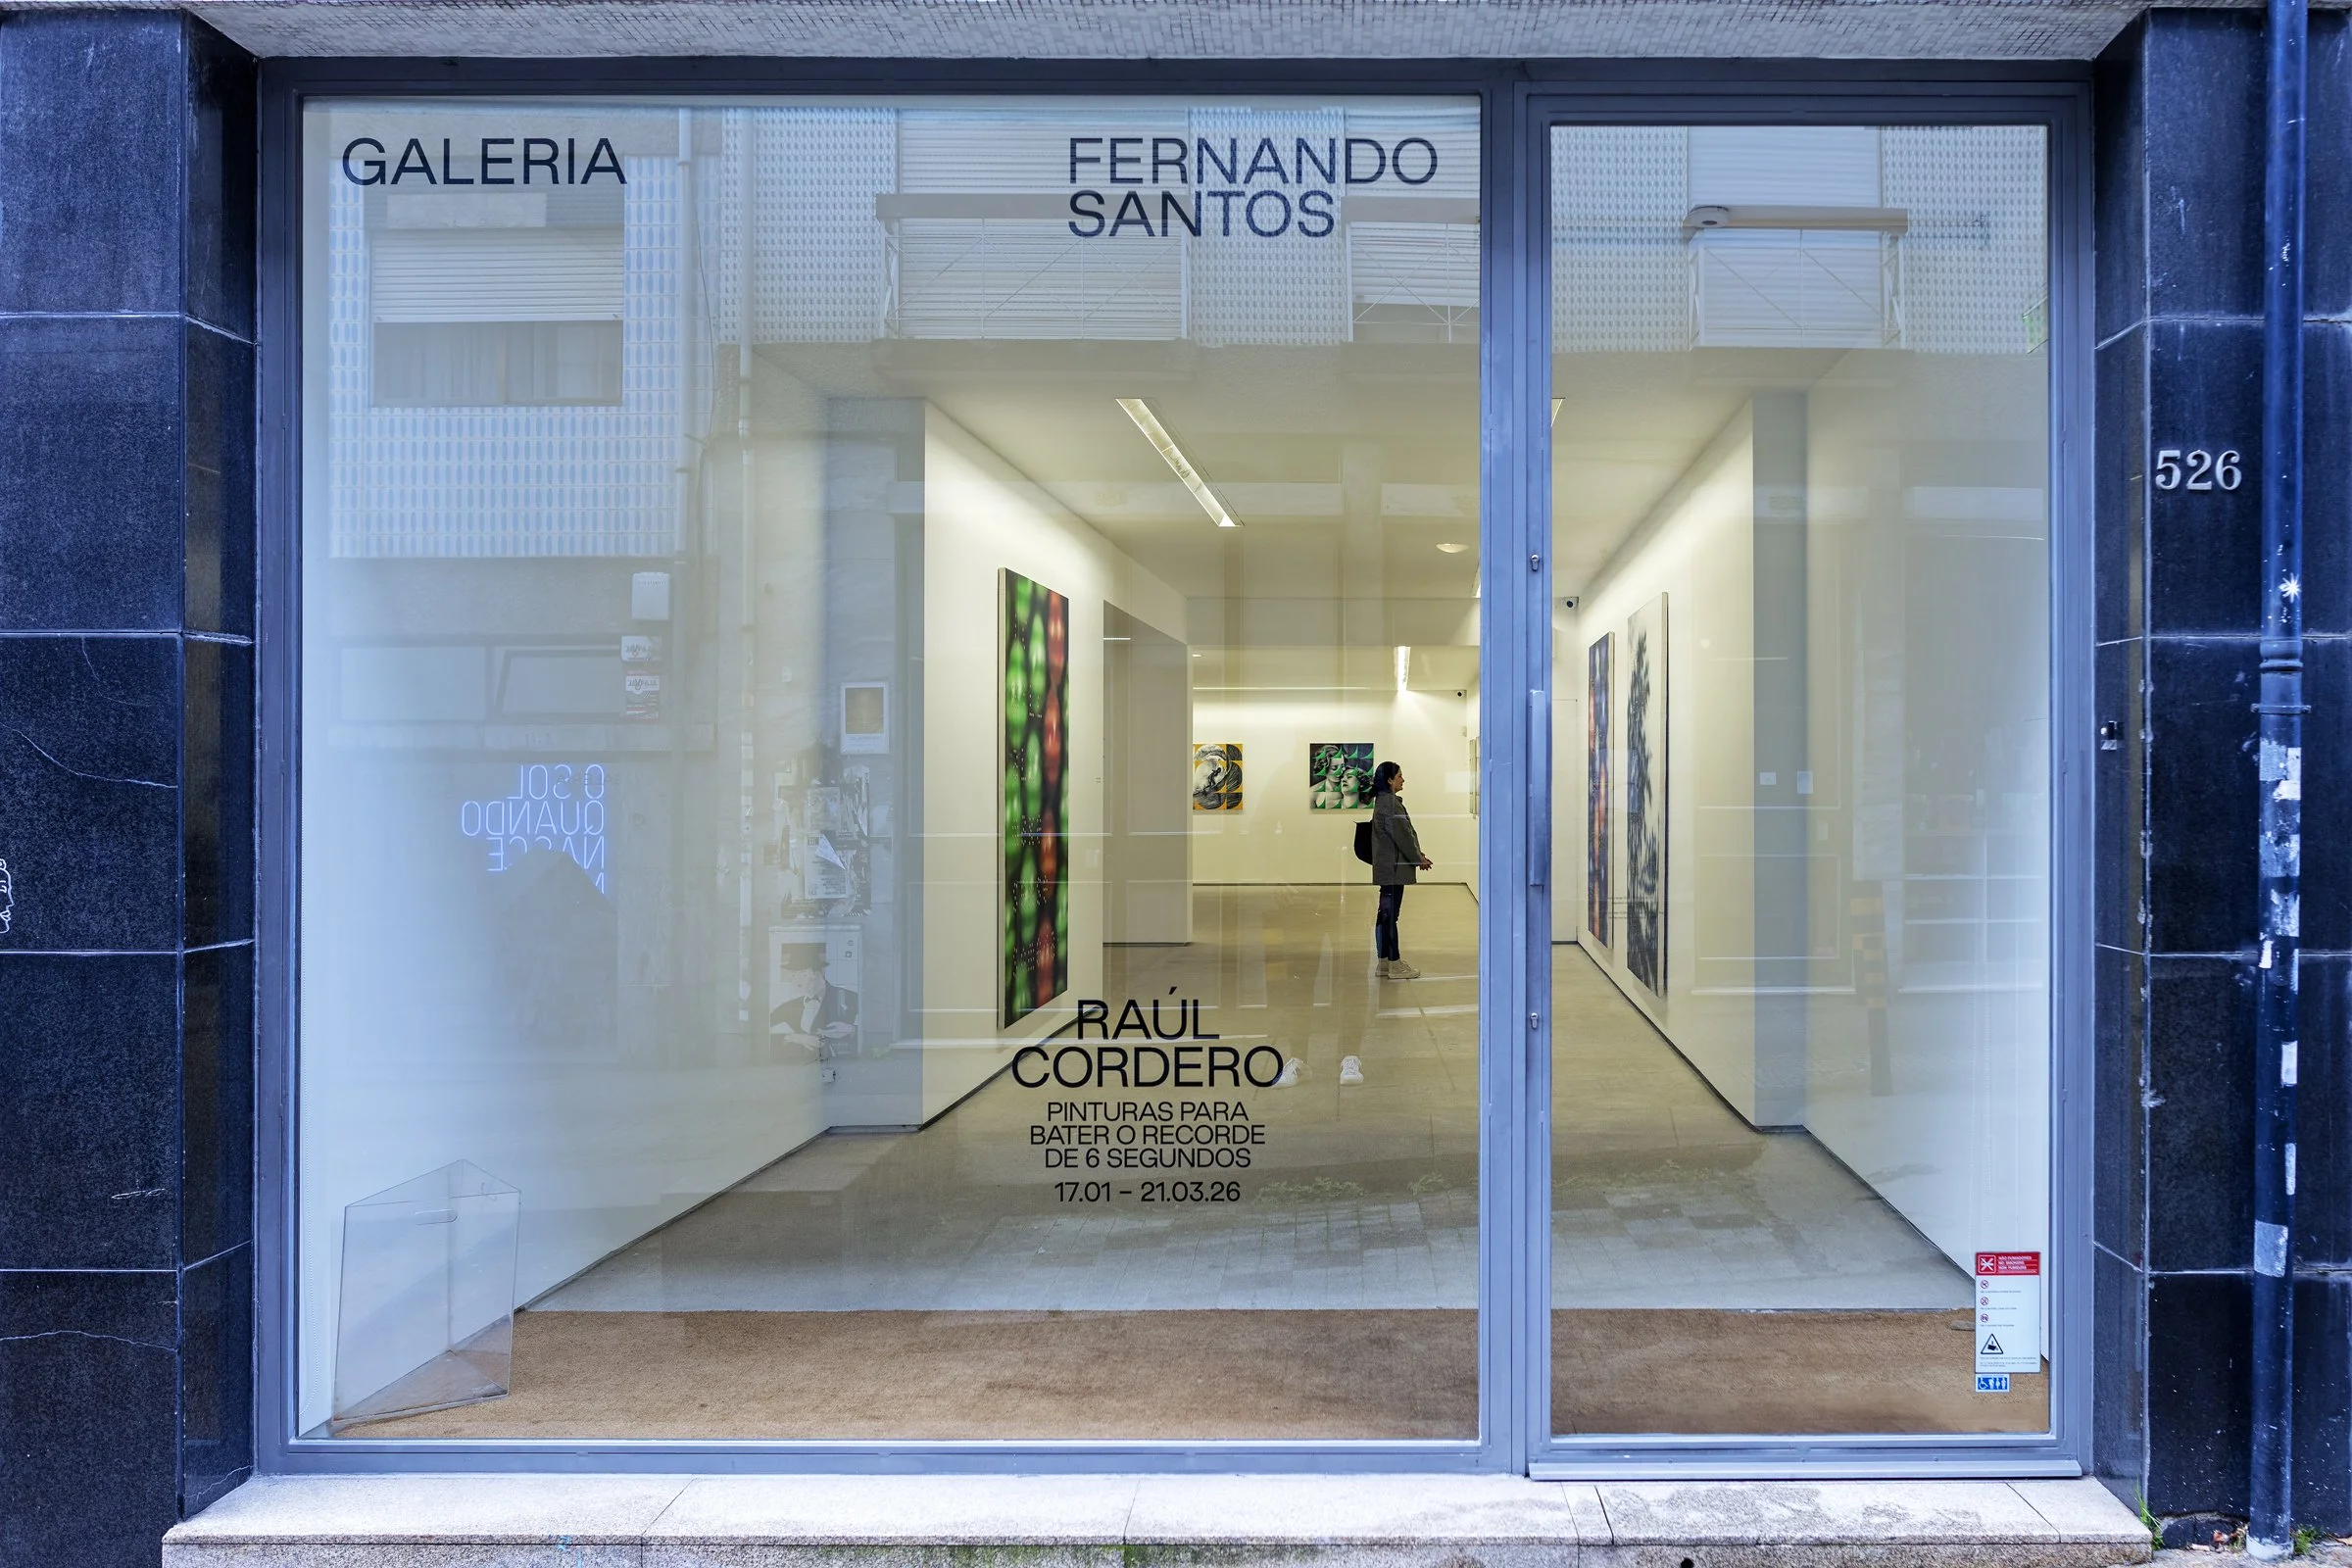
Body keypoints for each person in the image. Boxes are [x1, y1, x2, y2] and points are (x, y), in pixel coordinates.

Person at [1368, 760, 1433, 979]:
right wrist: (1418, 859)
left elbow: (1403, 834)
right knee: (1389, 916)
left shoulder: (1384, 802)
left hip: (1389, 867)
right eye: (1400, 776)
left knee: (1385, 915)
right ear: (1389, 780)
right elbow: (1403, 836)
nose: (1403, 780)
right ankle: (1393, 963)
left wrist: (1418, 856)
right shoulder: (1390, 804)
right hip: (1393, 869)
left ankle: (1384, 962)